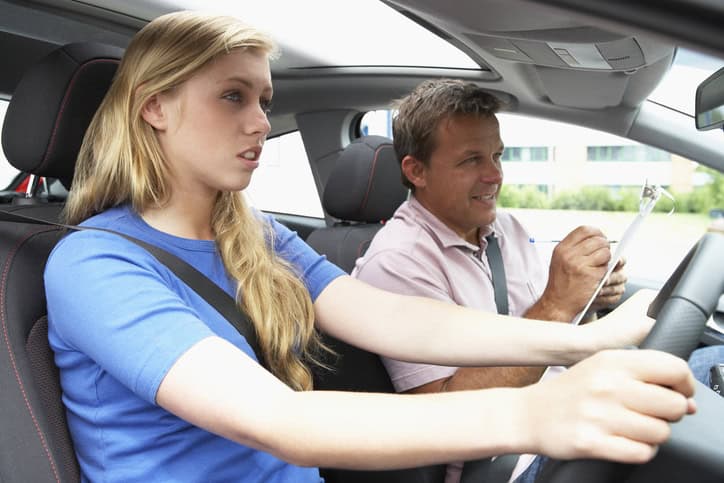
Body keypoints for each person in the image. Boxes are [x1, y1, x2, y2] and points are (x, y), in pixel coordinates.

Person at [44, 12, 698, 483]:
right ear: (155, 107)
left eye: (264, 99)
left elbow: (390, 315)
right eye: (232, 96)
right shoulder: (95, 266)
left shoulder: (254, 232)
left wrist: (582, 343)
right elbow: (277, 419)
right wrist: (536, 411)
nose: (261, 121)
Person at [351, 78, 724, 482]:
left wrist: (588, 300)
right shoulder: (396, 262)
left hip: (573, 406)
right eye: (471, 160)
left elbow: (547, 340)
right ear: (416, 171)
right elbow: (444, 414)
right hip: (512, 463)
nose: (494, 175)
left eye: (497, 155)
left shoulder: (506, 229)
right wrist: (557, 304)